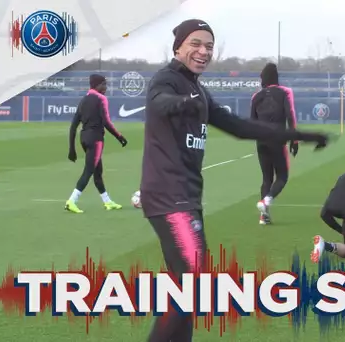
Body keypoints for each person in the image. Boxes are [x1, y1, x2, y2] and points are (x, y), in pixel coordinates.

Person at [140, 19, 330, 342]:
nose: (203, 51)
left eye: (209, 46)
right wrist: (184, 104)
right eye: (196, 44)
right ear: (178, 47)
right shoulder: (167, 80)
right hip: (169, 196)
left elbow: (244, 129)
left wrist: (297, 133)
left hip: (186, 196)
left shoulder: (198, 89)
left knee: (186, 285)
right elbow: (159, 102)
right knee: (193, 284)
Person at [65, 74, 127, 213]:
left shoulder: (84, 100)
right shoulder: (101, 99)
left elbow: (73, 125)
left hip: (84, 138)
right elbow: (106, 122)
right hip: (96, 140)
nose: (106, 87)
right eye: (104, 84)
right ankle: (72, 201)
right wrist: (119, 136)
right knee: (89, 171)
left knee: (97, 172)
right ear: (98, 85)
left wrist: (72, 148)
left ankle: (107, 202)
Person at [250, 62, 298, 225]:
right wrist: (294, 139)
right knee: (282, 177)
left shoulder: (256, 96)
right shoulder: (285, 92)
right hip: (277, 139)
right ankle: (266, 201)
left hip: (261, 140)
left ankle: (264, 217)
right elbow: (290, 115)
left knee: (266, 179)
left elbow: (252, 122)